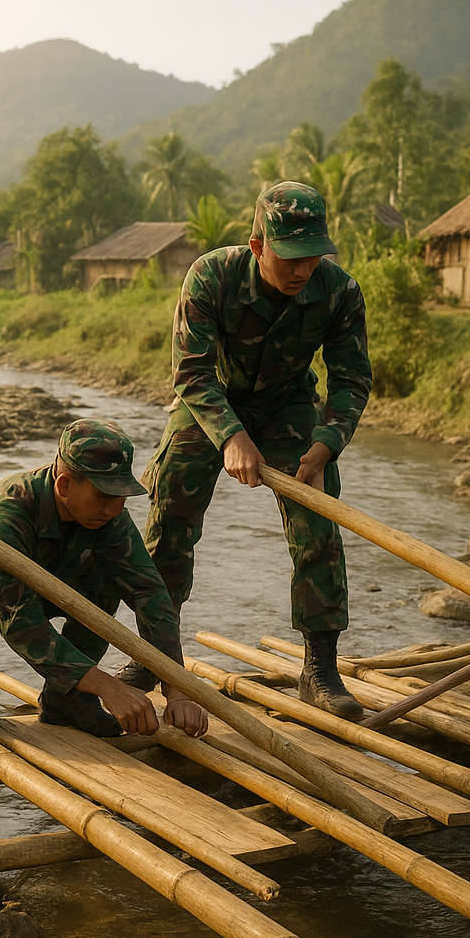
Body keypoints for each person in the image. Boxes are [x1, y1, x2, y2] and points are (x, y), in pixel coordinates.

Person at [131, 182, 372, 720]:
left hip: (290, 404)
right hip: (210, 401)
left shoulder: (339, 291)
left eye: (313, 256)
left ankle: (319, 670)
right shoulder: (211, 276)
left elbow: (352, 379)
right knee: (169, 516)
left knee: (319, 522)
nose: (303, 270)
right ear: (258, 246)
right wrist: (231, 436)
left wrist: (327, 443)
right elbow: (191, 372)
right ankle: (152, 655)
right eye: (290, 257)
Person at [0, 418, 209, 739]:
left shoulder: (107, 516)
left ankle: (65, 699)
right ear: (65, 485)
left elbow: (149, 593)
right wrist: (108, 687)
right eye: (104, 496)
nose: (114, 510)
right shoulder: (6, 515)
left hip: (34, 585)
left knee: (108, 579)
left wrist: (177, 690)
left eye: (121, 497)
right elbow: (21, 624)